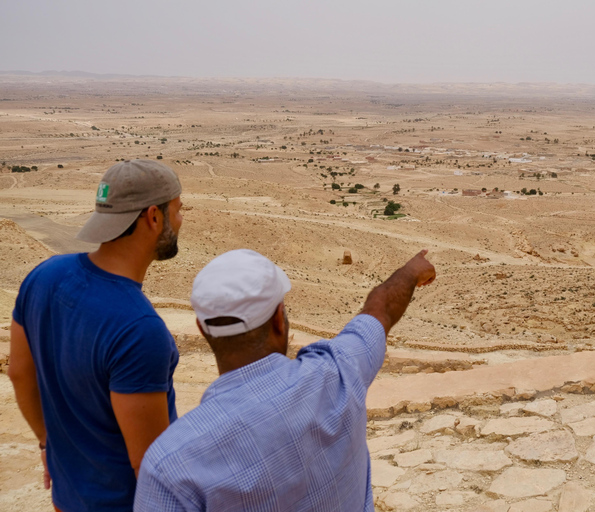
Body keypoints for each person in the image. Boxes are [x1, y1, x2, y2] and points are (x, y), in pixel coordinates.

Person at [134, 248, 436, 511]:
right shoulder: (339, 372)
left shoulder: (170, 465)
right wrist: (410, 272)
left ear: (202, 329)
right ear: (279, 319)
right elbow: (380, 309)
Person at [8, 159, 184, 512]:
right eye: (179, 211)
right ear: (154, 217)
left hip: (67, 499)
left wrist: (48, 445)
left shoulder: (44, 275)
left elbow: (19, 372)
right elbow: (151, 466)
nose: (181, 221)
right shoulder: (139, 329)